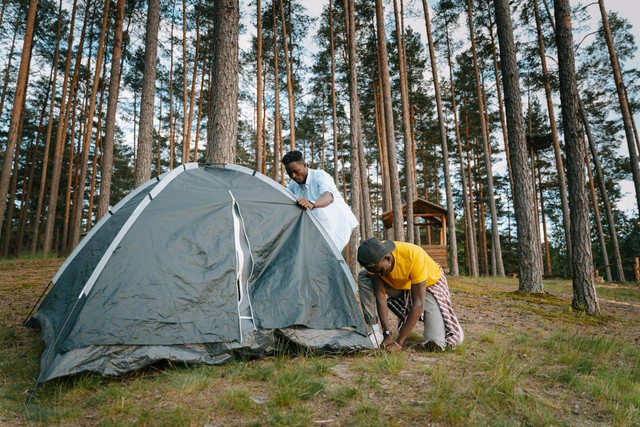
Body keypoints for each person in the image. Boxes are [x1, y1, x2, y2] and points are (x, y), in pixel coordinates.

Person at [357, 237, 463, 353]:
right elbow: (380, 295)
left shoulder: (414, 256)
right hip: (403, 286)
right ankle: (375, 331)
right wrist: (387, 333)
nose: (378, 275)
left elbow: (418, 304)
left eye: (380, 271)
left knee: (435, 344)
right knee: (363, 275)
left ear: (388, 259)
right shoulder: (372, 255)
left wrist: (399, 342)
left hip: (428, 286)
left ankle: (450, 326)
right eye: (375, 272)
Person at [282, 150, 358, 252]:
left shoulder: (321, 176)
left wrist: (312, 203)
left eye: (296, 171)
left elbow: (329, 197)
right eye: (289, 173)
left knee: (330, 259)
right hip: (318, 229)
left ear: (304, 165)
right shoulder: (293, 184)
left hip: (338, 226)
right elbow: (284, 198)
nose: (293, 176)